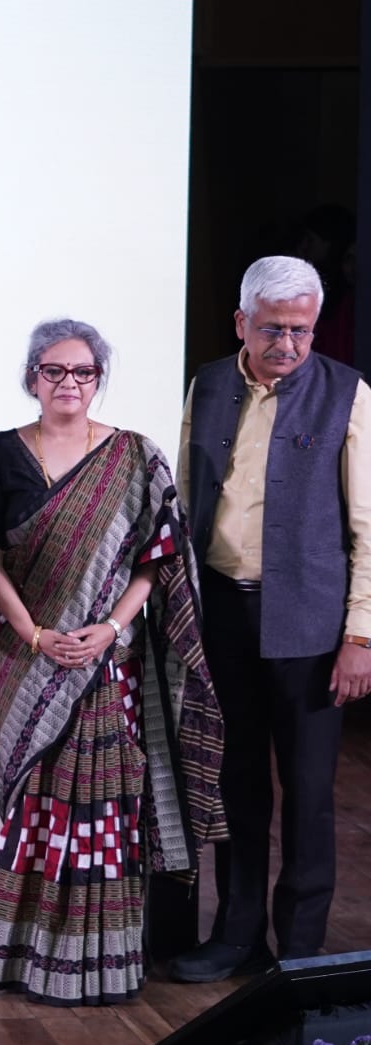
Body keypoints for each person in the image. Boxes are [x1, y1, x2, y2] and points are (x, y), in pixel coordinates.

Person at [0, 319, 224, 1005]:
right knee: (36, 811)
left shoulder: (134, 456)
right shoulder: (0, 452)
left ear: (98, 379)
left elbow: (155, 561)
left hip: (106, 664)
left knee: (103, 811)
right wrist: (34, 634)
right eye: (54, 370)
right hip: (26, 659)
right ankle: (25, 959)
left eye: (83, 372)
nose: (69, 383)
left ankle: (102, 962)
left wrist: (110, 629)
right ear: (32, 377)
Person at [169, 256, 371, 982]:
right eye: (272, 329)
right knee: (235, 783)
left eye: (300, 330)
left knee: (310, 794)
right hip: (223, 613)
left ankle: (302, 952)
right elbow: (187, 500)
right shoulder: (209, 384)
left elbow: (368, 525)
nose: (287, 344)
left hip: (311, 627)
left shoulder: (347, 393)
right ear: (241, 323)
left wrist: (361, 635)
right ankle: (237, 935)